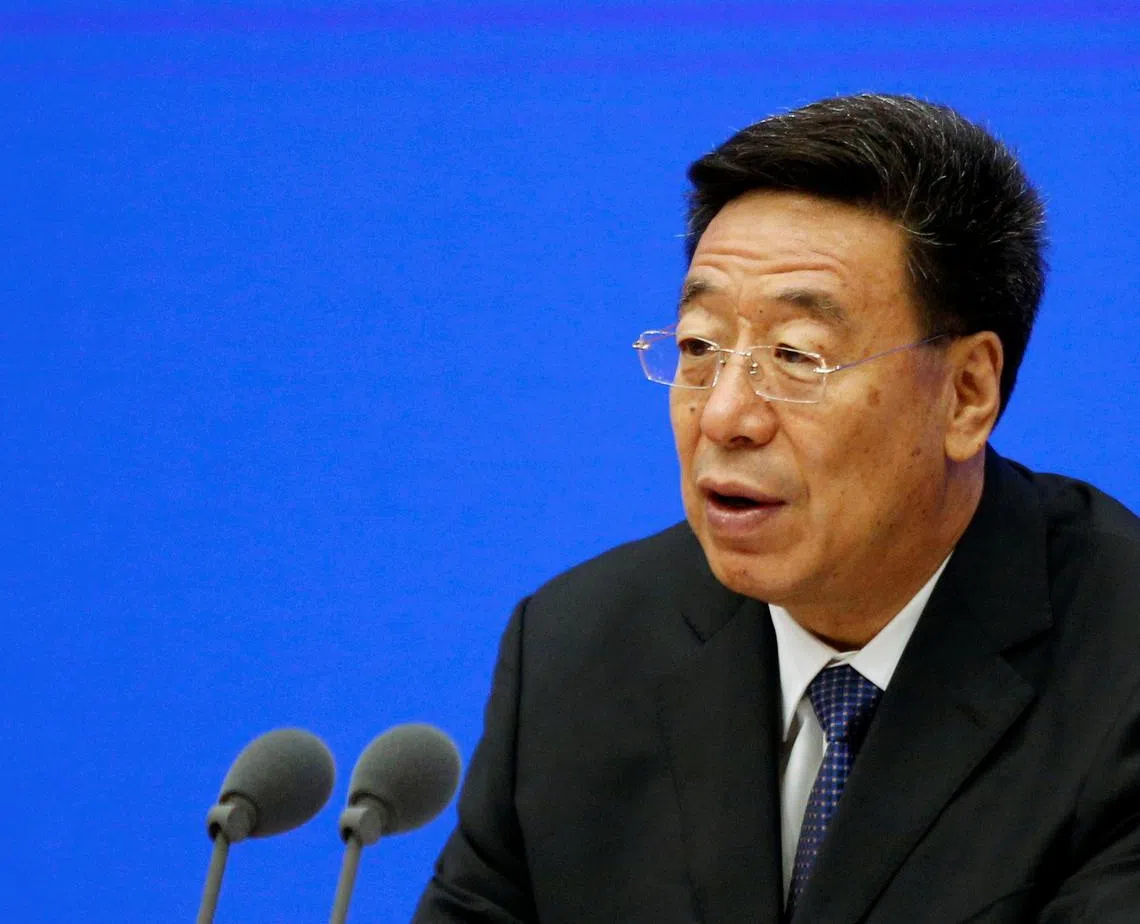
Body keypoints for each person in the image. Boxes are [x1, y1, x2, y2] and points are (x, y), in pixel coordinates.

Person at [413, 94, 1140, 923]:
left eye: (797, 357)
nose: (725, 415)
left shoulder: (1119, 676)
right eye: (699, 347)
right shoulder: (576, 655)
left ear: (967, 394)